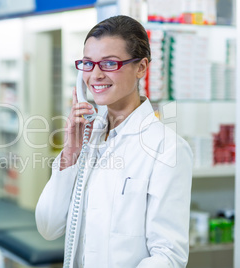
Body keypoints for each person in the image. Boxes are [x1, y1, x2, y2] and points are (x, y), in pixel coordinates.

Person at [35, 15, 193, 268]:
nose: (95, 75)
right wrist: (71, 152)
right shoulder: (87, 139)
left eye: (109, 64)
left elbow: (168, 257)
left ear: (141, 67)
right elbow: (48, 227)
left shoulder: (168, 148)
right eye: (88, 64)